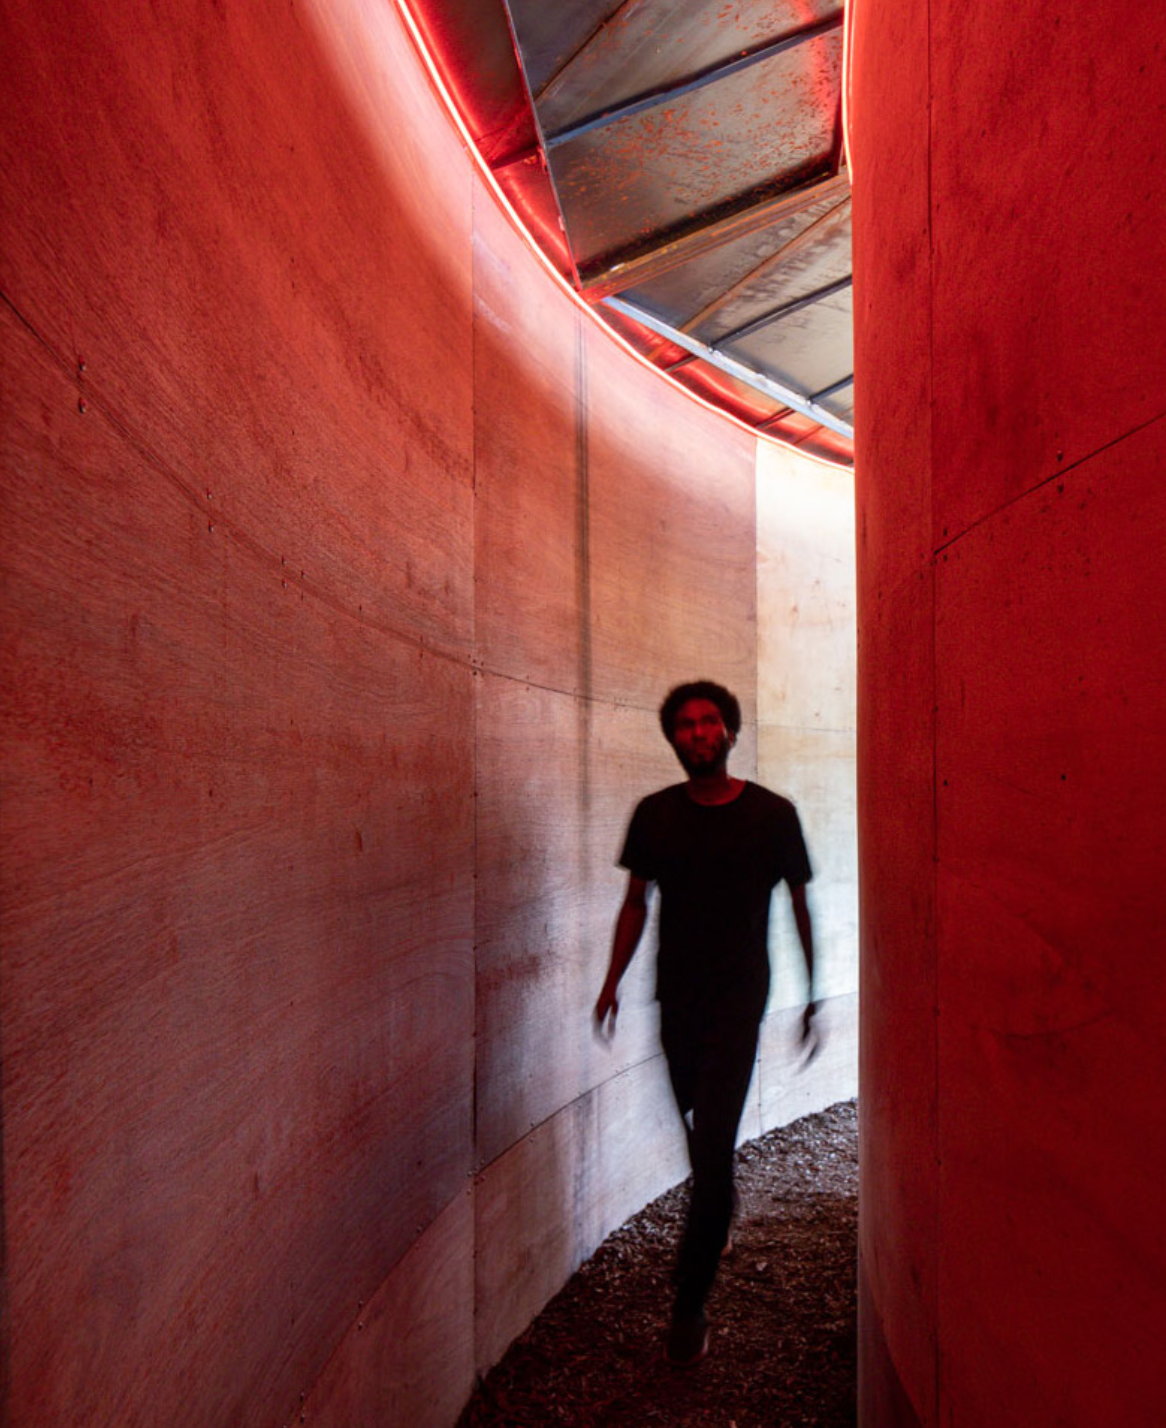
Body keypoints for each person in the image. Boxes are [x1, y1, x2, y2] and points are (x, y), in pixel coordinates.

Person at [594, 679, 818, 1367]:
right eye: (686, 725)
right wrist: (611, 983)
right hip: (677, 999)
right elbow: (636, 903)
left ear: (730, 731)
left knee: (714, 1139)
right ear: (673, 737)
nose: (698, 733)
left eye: (710, 721)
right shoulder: (655, 815)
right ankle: (717, 1203)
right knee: (698, 1124)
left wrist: (816, 988)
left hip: (740, 998)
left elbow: (801, 903)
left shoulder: (773, 815)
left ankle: (689, 1302)